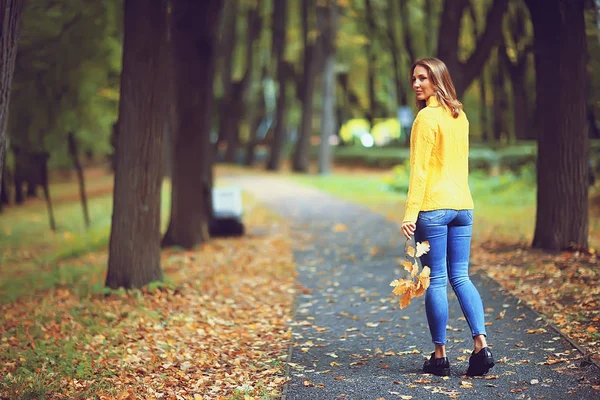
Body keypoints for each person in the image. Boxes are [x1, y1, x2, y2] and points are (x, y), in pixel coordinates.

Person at [400, 58, 494, 377]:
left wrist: (411, 213)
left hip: (434, 209)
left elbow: (421, 170)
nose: (416, 84)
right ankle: (481, 346)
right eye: (414, 78)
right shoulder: (460, 116)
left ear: (437, 80)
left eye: (423, 78)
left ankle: (439, 357)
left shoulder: (426, 118)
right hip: (462, 207)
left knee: (437, 279)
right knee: (461, 276)